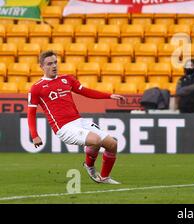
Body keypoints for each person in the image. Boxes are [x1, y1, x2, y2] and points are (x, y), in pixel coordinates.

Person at [27, 50, 126, 184]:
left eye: (55, 62)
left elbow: (85, 92)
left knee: (112, 144)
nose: (54, 66)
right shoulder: (36, 88)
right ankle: (89, 165)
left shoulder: (67, 79)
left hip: (79, 121)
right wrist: (34, 135)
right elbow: (31, 113)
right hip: (63, 127)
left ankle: (104, 178)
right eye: (49, 64)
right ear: (42, 67)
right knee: (95, 140)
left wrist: (108, 95)